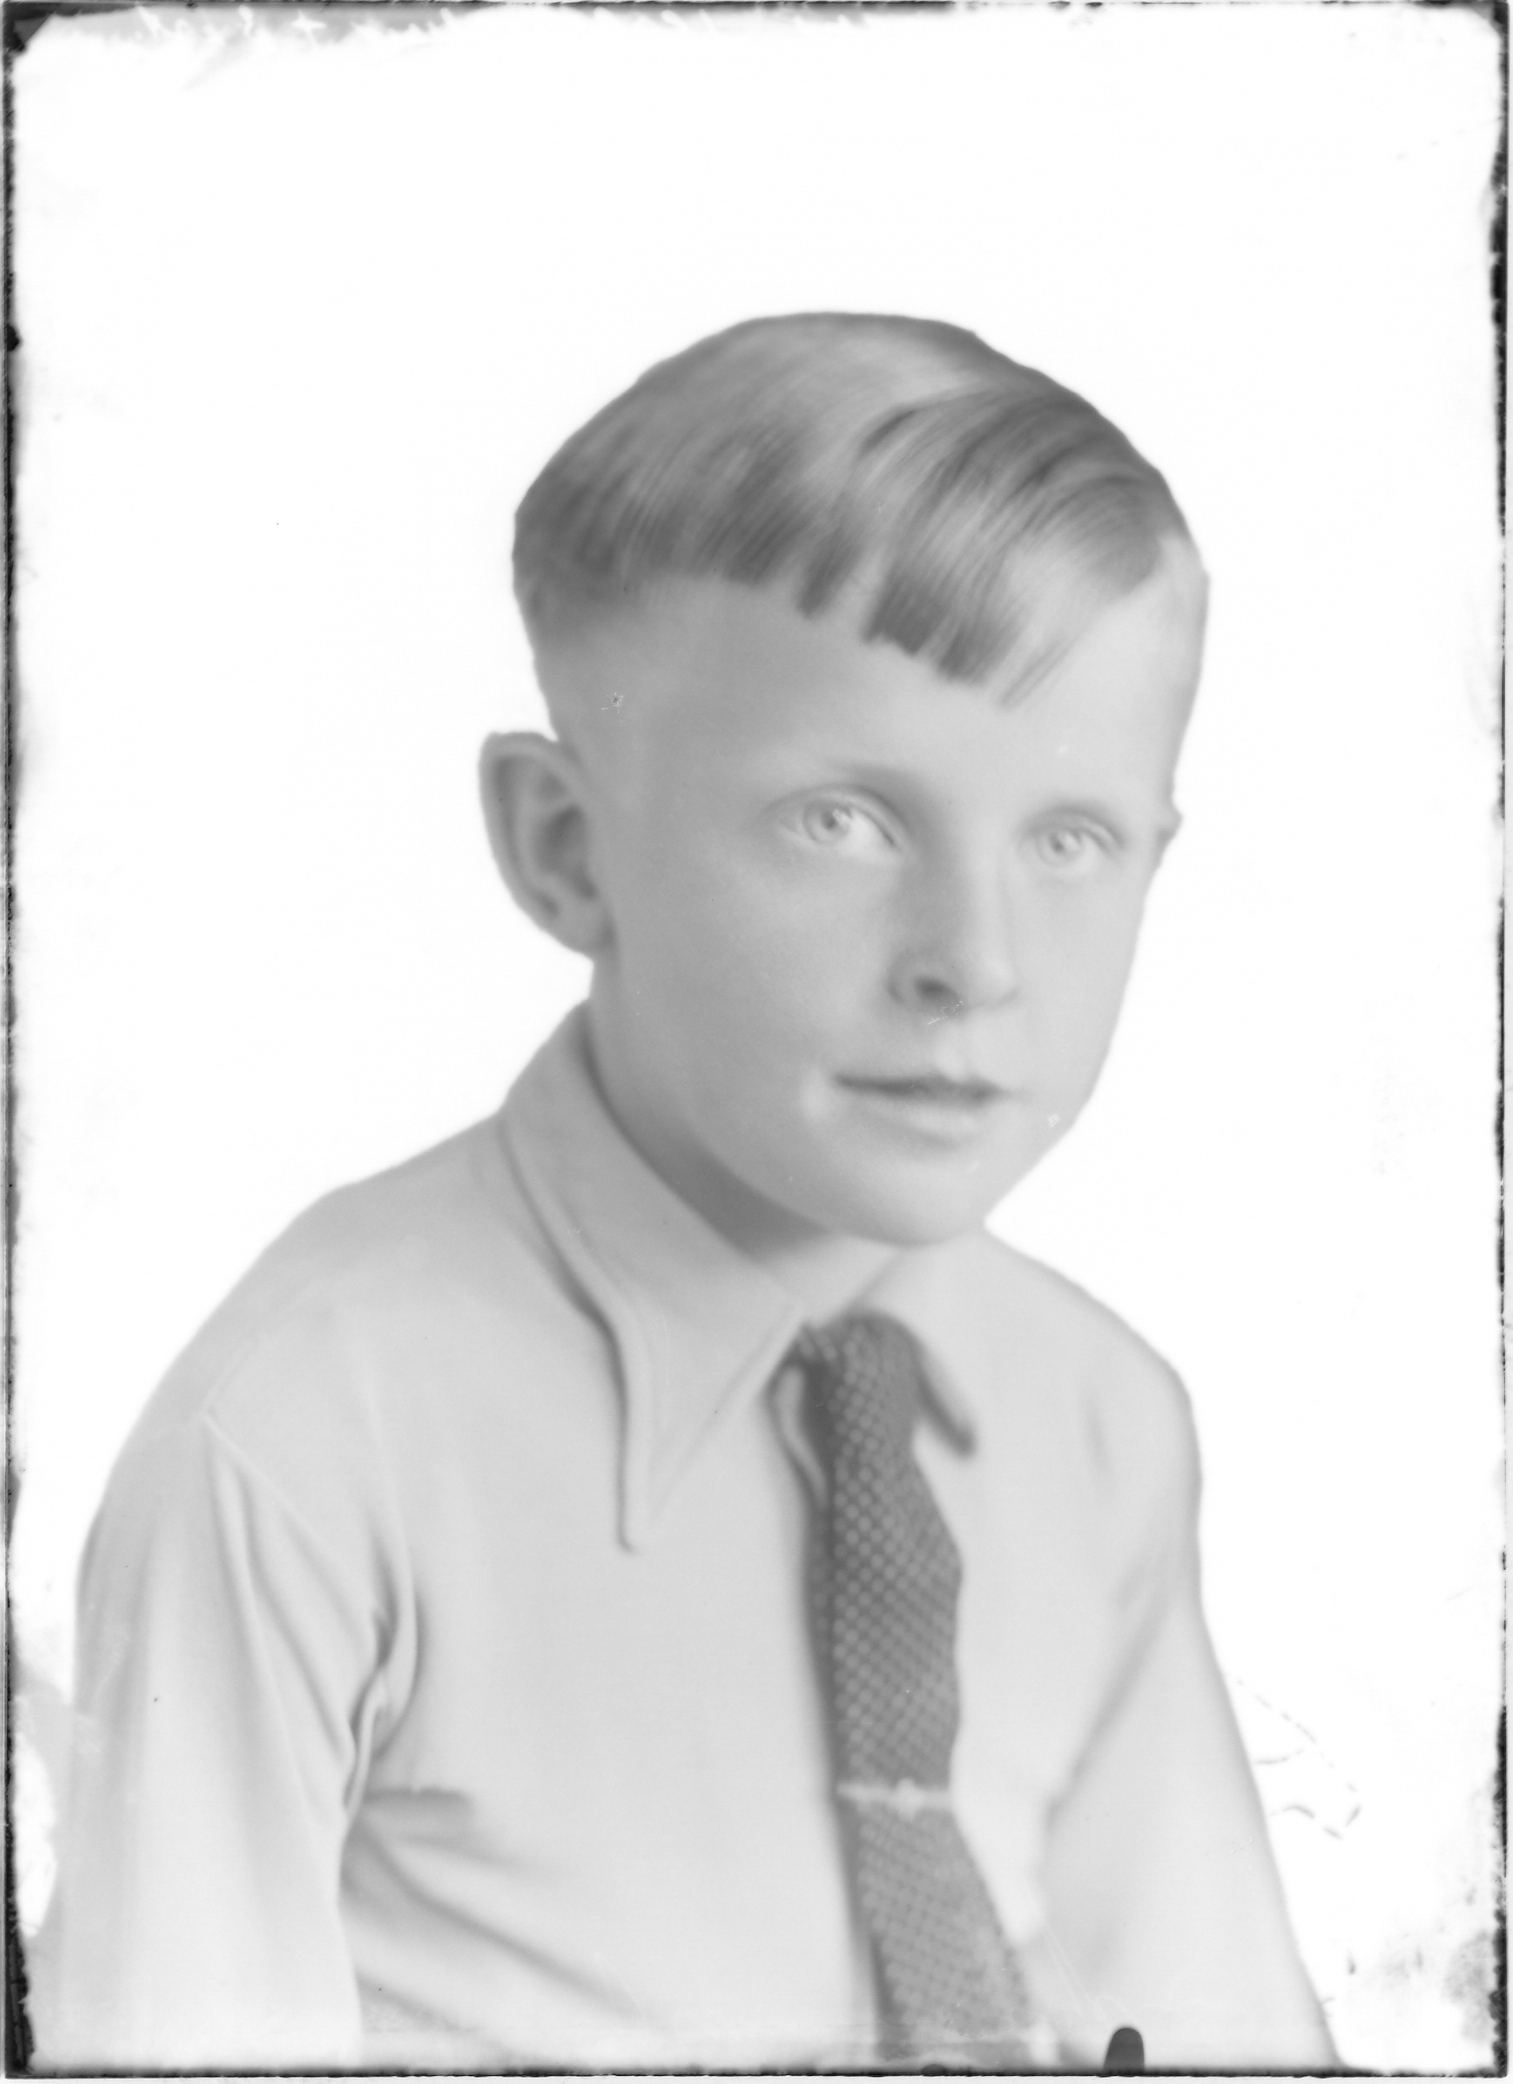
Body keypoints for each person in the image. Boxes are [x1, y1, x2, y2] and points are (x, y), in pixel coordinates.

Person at [34, 314, 1334, 2073]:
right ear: (565, 848)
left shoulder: (1094, 1418)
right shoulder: (314, 1432)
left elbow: (1200, 2020)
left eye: (1068, 839)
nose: (973, 959)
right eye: (840, 820)